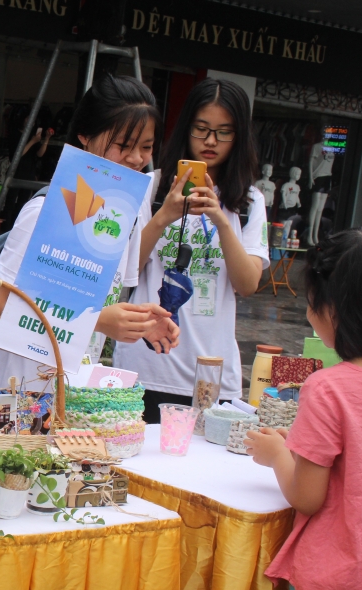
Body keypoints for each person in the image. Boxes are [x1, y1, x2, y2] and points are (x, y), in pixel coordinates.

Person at [0, 75, 180, 393]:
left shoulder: (126, 214)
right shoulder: (46, 210)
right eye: (123, 145)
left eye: (146, 147)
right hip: (11, 398)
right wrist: (97, 320)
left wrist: (140, 323)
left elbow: (110, 303)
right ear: (85, 135)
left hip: (72, 399)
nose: (137, 158)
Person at [245, 229, 362, 590]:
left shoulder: (328, 388)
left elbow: (307, 497)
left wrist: (278, 455)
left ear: (334, 310)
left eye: (311, 302)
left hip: (337, 580)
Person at [115, 78, 268, 423]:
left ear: (239, 136)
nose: (211, 141)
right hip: (144, 368)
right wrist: (164, 215)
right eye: (202, 129)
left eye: (224, 132)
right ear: (187, 129)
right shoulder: (151, 187)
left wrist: (221, 219)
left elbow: (247, 284)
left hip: (212, 376)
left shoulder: (248, 201)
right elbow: (124, 269)